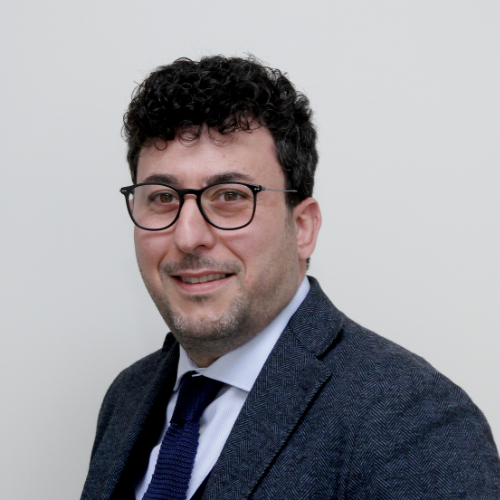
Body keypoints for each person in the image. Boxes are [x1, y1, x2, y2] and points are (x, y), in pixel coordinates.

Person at [81, 55, 500, 500]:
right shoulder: (129, 395)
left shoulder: (415, 422)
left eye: (229, 196)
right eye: (163, 198)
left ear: (302, 228)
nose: (188, 236)